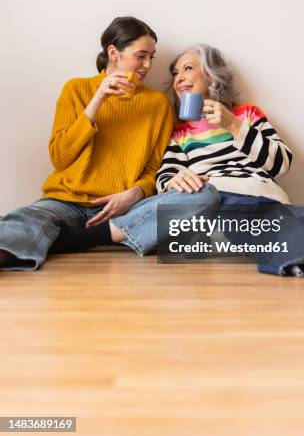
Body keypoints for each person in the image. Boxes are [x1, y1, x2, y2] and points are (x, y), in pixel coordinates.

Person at [0, 19, 219, 271]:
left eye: (151, 57)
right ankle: (117, 236)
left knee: (204, 195)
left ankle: (88, 238)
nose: (148, 65)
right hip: (67, 201)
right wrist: (96, 102)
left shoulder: (157, 104)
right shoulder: (76, 89)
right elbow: (60, 158)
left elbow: (154, 169)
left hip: (128, 209)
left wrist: (133, 194)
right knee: (23, 220)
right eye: (141, 56)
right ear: (113, 52)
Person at [154, 44, 304, 277]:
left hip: (267, 196)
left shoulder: (247, 115)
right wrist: (176, 179)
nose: (178, 79)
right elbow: (164, 179)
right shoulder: (181, 133)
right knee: (257, 222)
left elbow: (280, 164)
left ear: (211, 74)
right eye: (175, 73)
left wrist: (233, 125)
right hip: (222, 198)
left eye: (187, 68)